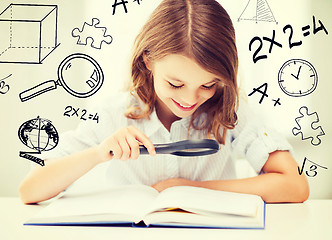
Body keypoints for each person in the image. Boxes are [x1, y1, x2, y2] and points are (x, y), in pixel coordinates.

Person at [19, 0, 309, 204]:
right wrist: (98, 153)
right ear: (148, 60)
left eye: (208, 84)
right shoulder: (113, 113)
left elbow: (296, 184)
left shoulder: (230, 112)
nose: (189, 98)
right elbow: (30, 190)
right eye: (175, 83)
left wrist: (193, 189)